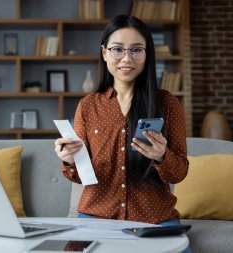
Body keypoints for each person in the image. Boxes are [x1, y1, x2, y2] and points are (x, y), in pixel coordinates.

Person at [54, 14, 191, 252]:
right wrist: (69, 160)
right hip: (97, 216)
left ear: (147, 55)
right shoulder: (88, 106)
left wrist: (161, 155)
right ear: (105, 52)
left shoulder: (167, 103)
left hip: (155, 218)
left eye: (136, 50)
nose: (127, 58)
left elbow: (179, 173)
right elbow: (79, 176)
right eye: (118, 49)